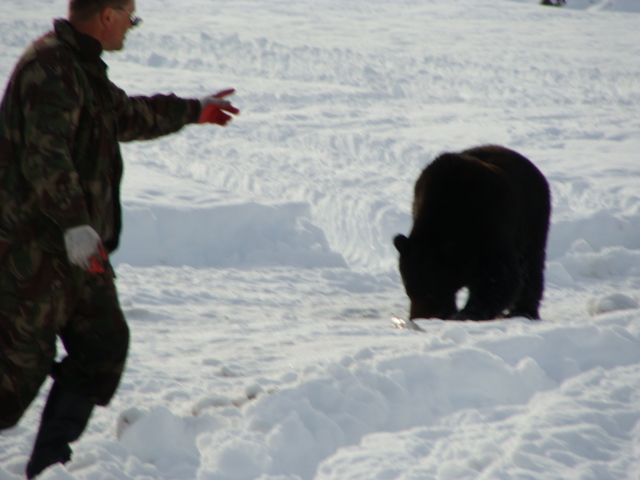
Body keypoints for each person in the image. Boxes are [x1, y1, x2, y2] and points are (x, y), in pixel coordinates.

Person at [0, 0, 239, 477]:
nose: (133, 25)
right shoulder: (50, 69)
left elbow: (124, 114)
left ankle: (48, 466)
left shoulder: (81, 67)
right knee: (11, 386)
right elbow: (47, 161)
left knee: (103, 345)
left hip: (77, 253)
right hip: (34, 255)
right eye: (130, 14)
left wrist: (195, 111)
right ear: (106, 14)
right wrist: (76, 228)